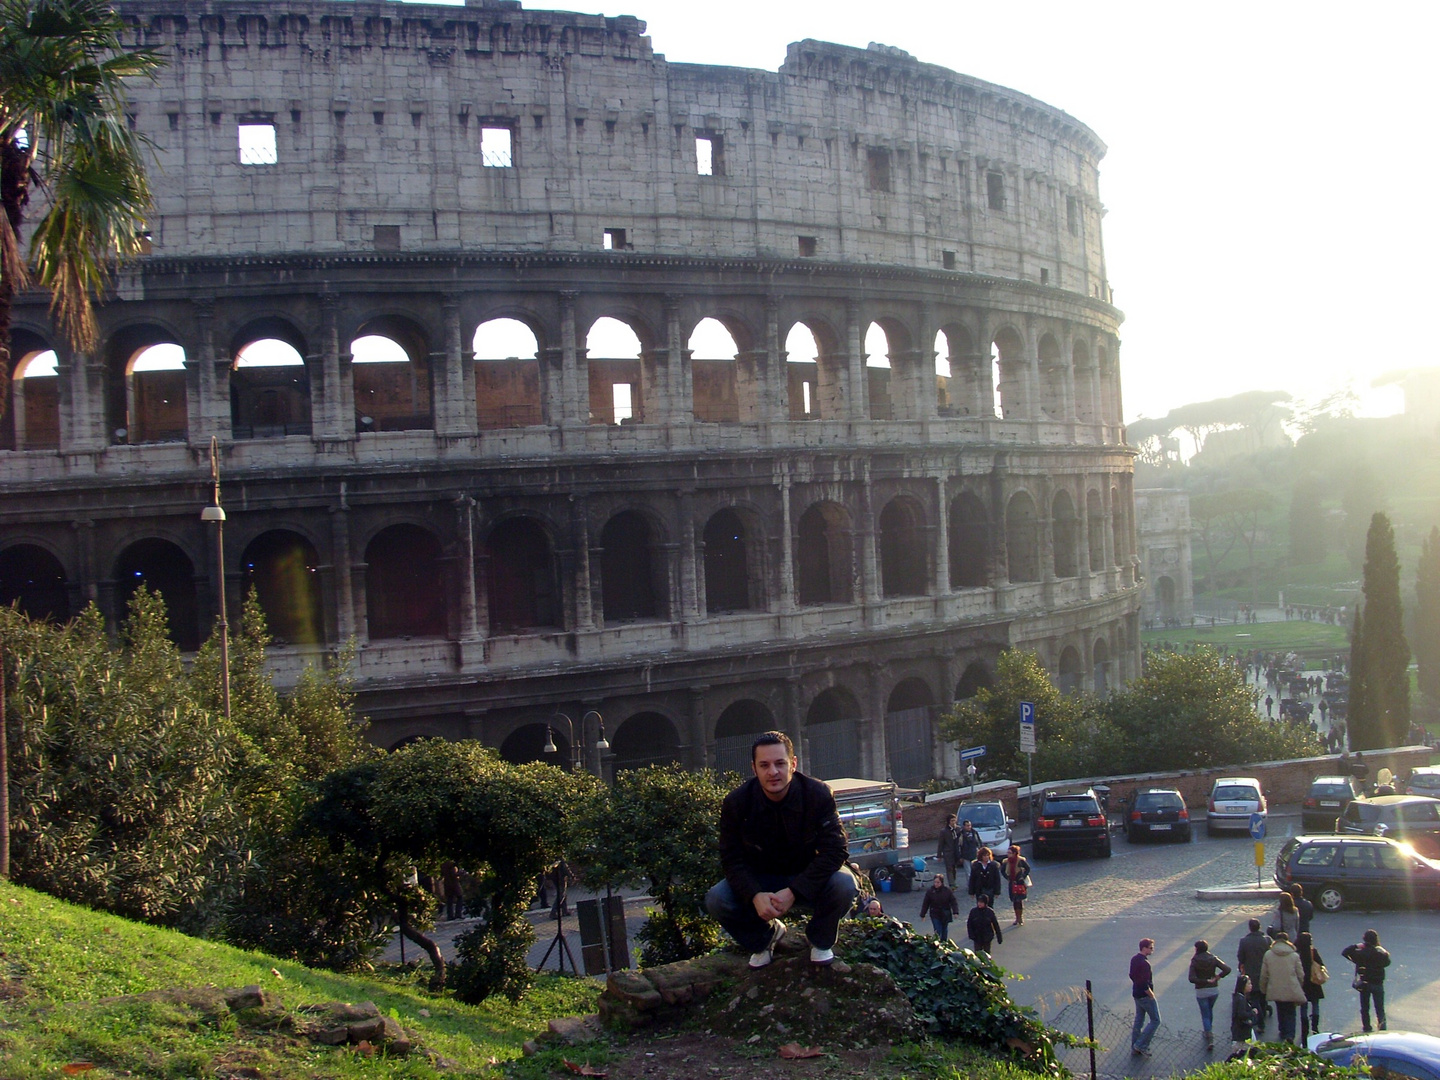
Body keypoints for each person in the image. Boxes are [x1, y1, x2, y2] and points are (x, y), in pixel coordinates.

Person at [705, 731, 856, 968]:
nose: (773, 772)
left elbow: (836, 850)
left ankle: (820, 940)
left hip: (808, 876)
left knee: (844, 884)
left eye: (780, 763)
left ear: (793, 764)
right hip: (761, 879)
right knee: (717, 899)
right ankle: (764, 939)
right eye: (764, 765)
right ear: (754, 768)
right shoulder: (736, 803)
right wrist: (754, 894)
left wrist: (795, 891)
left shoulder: (817, 794)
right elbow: (731, 858)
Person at [1260, 930, 1306, 1044]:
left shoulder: (1268, 954)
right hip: (1291, 987)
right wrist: (1299, 985)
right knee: (1291, 1012)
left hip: (1275, 987)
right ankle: (1290, 1034)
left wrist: (1263, 988)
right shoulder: (1294, 955)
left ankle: (1282, 1030)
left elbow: (1264, 974)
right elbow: (1301, 974)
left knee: (1280, 1009)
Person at [1341, 929, 1391, 1033]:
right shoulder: (1379, 954)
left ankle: (1367, 1028)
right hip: (1378, 983)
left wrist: (1356, 946)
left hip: (1364, 983)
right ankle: (1382, 1029)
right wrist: (1384, 951)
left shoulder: (1360, 954)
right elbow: (1387, 962)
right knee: (1380, 1009)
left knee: (1364, 1008)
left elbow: (1345, 952)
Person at [1188, 940, 1232, 1050]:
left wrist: (1205, 981)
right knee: (1209, 1010)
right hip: (1214, 990)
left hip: (1201, 990)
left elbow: (1191, 978)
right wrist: (1217, 977)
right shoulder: (1213, 958)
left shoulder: (1195, 960)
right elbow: (1227, 969)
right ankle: (1209, 1029)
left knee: (1205, 1013)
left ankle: (1209, 1034)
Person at [1237, 918, 1271, 1037]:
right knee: (1262, 997)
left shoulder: (1244, 941)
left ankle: (1260, 1023)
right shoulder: (1266, 940)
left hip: (1251, 973)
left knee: (1255, 998)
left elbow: (1241, 957)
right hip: (1264, 973)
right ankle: (1263, 1014)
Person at [1130, 938, 1160, 1056]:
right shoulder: (1145, 964)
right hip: (1145, 996)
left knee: (1139, 1020)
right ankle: (1141, 1045)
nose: (1152, 950)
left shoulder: (1134, 959)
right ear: (1144, 948)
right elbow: (1144, 982)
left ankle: (1135, 1044)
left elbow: (1132, 975)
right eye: (1151, 948)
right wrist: (1151, 994)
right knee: (1156, 1020)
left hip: (1136, 993)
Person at [1296, 931, 1326, 1043]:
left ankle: (1304, 1026)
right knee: (1315, 1004)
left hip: (1302, 983)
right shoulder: (1312, 952)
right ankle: (1315, 1026)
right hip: (1314, 981)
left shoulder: (1297, 953)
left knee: (1303, 1006)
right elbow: (1321, 964)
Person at [919, 873, 960, 941]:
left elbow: (953, 902)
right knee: (938, 930)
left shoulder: (947, 891)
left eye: (938, 882)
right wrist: (923, 914)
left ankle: (944, 943)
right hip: (935, 913)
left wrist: (955, 912)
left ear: (942, 882)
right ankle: (937, 943)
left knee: (944, 930)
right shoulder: (930, 891)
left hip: (945, 913)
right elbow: (926, 903)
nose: (936, 884)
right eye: (935, 882)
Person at [1002, 843, 1032, 926]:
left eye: (1010, 853)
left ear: (1014, 853)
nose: (1008, 854)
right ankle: (1016, 918)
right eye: (1008, 853)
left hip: (1019, 883)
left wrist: (1022, 876)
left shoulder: (1020, 860)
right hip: (1012, 883)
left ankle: (1020, 918)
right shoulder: (1006, 862)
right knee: (1014, 901)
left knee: (1019, 900)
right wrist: (1007, 877)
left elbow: (1027, 868)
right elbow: (1002, 871)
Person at [1231, 974, 1260, 1052]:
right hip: (1242, 1031)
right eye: (1249, 984)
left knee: (1249, 1050)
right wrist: (1253, 1012)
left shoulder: (1239, 997)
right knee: (1241, 1052)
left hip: (1243, 1030)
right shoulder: (1241, 999)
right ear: (1243, 985)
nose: (1251, 986)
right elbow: (1242, 1014)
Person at [937, 814, 962, 888]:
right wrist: (939, 855)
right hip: (948, 852)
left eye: (954, 820)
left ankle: (953, 881)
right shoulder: (944, 831)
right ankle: (952, 884)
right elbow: (940, 844)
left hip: (956, 852)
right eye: (952, 820)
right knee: (949, 868)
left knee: (954, 868)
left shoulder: (959, 829)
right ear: (948, 821)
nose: (953, 822)